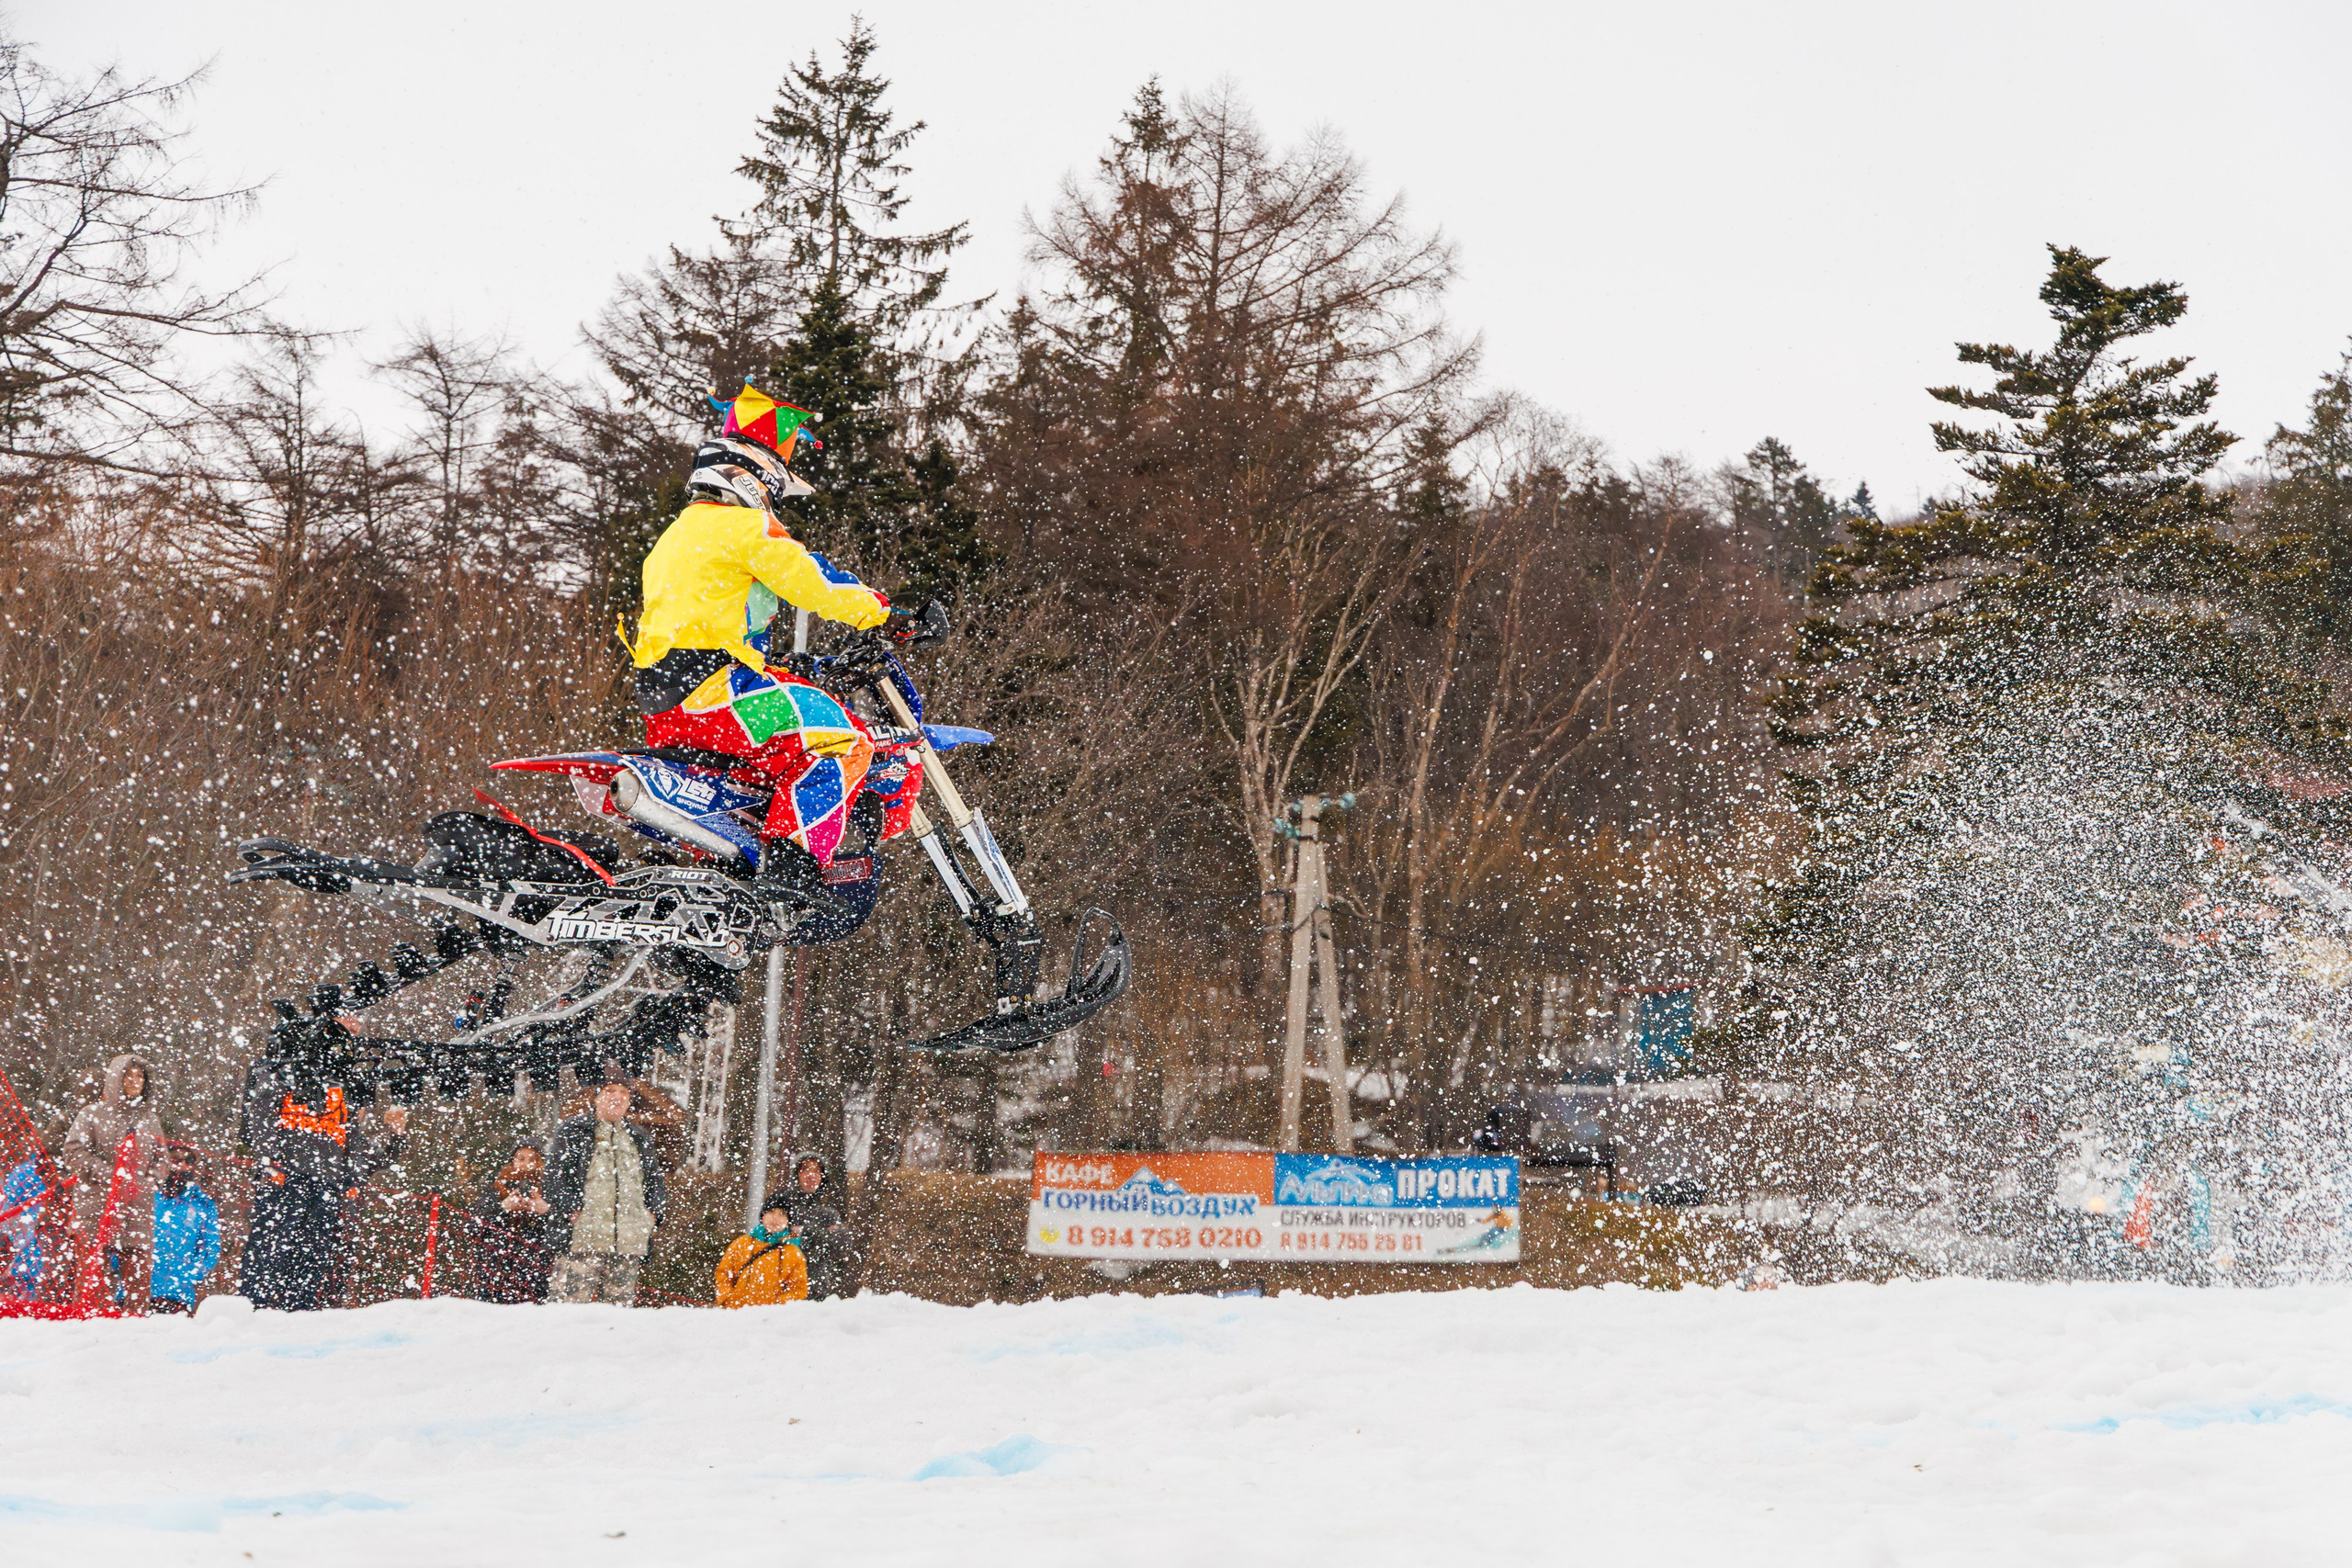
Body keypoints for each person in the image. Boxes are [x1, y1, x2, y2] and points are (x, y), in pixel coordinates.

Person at [625, 382, 922, 904]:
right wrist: (886, 614)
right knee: (845, 741)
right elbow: (815, 582)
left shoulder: (676, 535)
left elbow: (700, 617)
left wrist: (771, 659)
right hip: (716, 692)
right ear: (755, 474)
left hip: (669, 701)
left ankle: (735, 879)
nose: (776, 499)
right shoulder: (744, 526)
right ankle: (792, 873)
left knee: (774, 761)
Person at [237, 1058, 408, 1312]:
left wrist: (397, 1134)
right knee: (269, 1249)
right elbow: (259, 1115)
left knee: (312, 1257)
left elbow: (372, 1159)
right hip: (287, 1178)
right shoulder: (290, 1074)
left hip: (326, 1189)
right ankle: (251, 1308)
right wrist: (270, 1161)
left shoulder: (347, 1122)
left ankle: (297, 1313)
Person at [59, 1054, 170, 1311]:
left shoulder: (149, 1119)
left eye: (140, 1076)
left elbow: (162, 1159)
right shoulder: (91, 1114)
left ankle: (134, 1328)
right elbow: (73, 1152)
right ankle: (89, 1326)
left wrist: (149, 1182)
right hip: (95, 1209)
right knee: (92, 1281)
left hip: (137, 1210)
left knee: (138, 1283)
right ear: (115, 1079)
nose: (134, 1081)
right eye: (128, 1075)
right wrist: (112, 1176)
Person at [545, 1079, 666, 1306]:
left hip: (629, 1241)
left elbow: (654, 1181)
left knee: (619, 1315)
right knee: (568, 1310)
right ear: (596, 1098)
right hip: (581, 1239)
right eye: (610, 1091)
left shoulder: (639, 1137)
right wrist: (570, 1210)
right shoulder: (574, 1130)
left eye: (623, 1093)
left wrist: (653, 1214)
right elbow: (554, 1177)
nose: (617, 1097)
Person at [469, 1139, 555, 1304]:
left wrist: (544, 1211)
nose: (526, 1164)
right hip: (496, 1268)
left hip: (535, 1269)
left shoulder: (550, 1190)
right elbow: (473, 1228)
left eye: (533, 1160)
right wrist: (503, 1208)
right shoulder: (496, 1188)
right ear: (512, 1161)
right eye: (521, 1158)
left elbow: (561, 1232)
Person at [778, 1153, 854, 1301]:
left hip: (821, 1295)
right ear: (796, 1175)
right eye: (805, 1169)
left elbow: (843, 1245)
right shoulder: (783, 1209)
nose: (811, 1175)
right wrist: (823, 1235)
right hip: (786, 1293)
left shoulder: (828, 1214)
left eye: (817, 1171)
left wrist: (805, 1231)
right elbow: (779, 1240)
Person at [150, 1161, 221, 1314]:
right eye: (176, 1158)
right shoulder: (148, 1196)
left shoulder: (203, 1204)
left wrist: (190, 1276)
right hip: (139, 1292)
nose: (181, 1163)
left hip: (179, 1297)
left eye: (187, 1159)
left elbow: (211, 1249)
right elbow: (124, 1241)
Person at [714, 1196, 809, 1308]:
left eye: (782, 1214)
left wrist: (778, 1306)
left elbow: (798, 1289)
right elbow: (723, 1274)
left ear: (788, 1221)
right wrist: (727, 1299)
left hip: (770, 1316)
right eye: (771, 1212)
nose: (775, 1218)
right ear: (763, 1216)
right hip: (738, 1313)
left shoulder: (792, 1253)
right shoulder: (741, 1244)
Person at [2, 1156, 46, 1301]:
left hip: (32, 1239)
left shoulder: (27, 1171)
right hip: (23, 1238)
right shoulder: (26, 1172)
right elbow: (6, 1205)